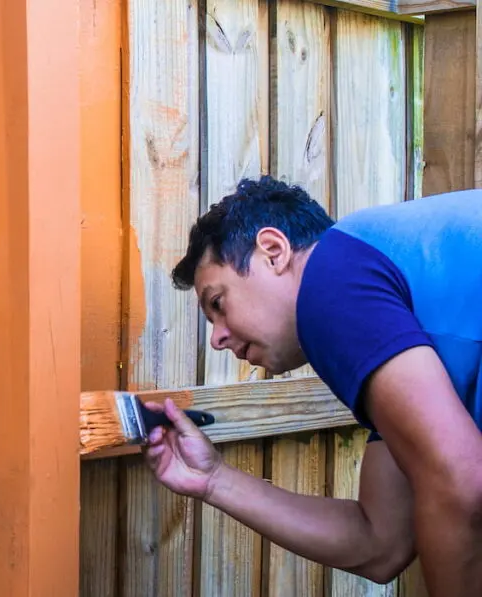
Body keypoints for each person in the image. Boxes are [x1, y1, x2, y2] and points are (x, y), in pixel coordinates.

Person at [142, 175, 482, 596]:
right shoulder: (391, 325)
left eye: (218, 304)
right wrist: (213, 479)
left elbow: (462, 480)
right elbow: (382, 543)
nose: (217, 338)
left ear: (273, 251)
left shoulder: (330, 280)